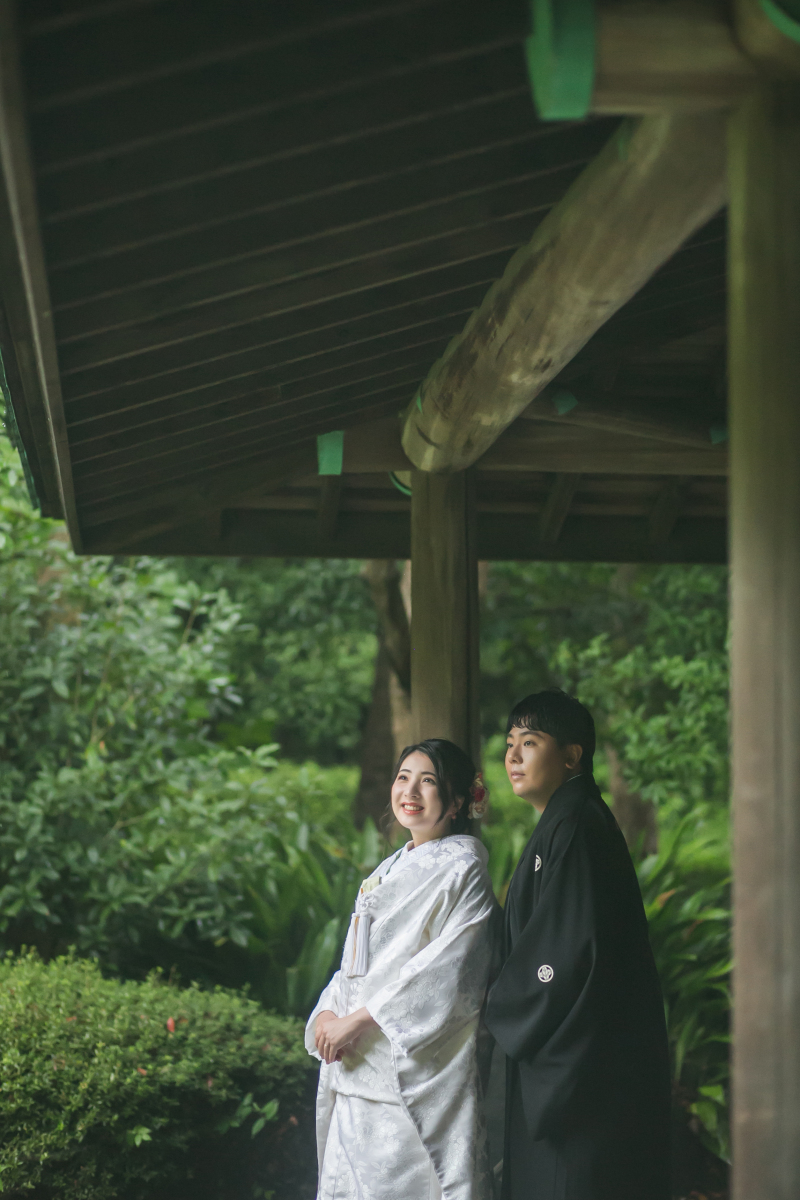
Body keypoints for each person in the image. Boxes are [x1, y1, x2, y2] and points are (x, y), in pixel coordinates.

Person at [485, 689, 671, 1200]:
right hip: (582, 1053)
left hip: (581, 1068)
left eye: (530, 741)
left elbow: (563, 955)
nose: (513, 755)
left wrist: (491, 1005)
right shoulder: (569, 820)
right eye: (509, 743)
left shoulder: (577, 825)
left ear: (572, 756)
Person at [306, 738, 498, 1200]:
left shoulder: (464, 866)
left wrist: (357, 1019)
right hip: (352, 1063)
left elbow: (449, 971)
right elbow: (353, 966)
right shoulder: (389, 868)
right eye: (403, 777)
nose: (410, 790)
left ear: (456, 801)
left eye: (428, 781)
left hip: (403, 1070)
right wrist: (329, 1014)